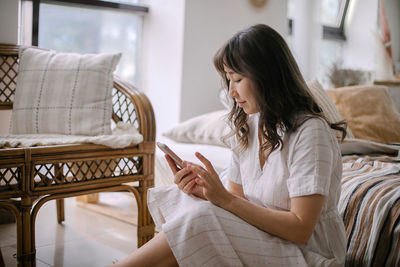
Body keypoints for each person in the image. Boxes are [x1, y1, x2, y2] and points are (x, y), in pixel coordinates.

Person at [111, 24, 347, 267]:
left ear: (268, 76)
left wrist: (223, 200)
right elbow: (235, 202)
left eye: (238, 79)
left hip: (309, 253)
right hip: (267, 239)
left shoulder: (310, 132)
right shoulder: (248, 126)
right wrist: (206, 192)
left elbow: (300, 228)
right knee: (187, 201)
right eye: (228, 80)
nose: (232, 92)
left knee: (203, 219)